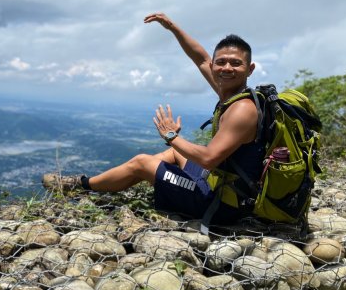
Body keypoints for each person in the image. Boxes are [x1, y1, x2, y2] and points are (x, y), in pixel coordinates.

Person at [42, 12, 264, 225]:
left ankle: (81, 186)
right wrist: (173, 28)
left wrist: (171, 136)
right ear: (215, 66)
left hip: (221, 205)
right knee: (173, 154)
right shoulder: (231, 93)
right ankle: (122, 180)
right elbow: (201, 59)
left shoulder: (242, 109)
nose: (227, 68)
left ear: (249, 69)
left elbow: (209, 159)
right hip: (224, 186)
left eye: (236, 63)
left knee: (142, 161)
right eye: (221, 62)